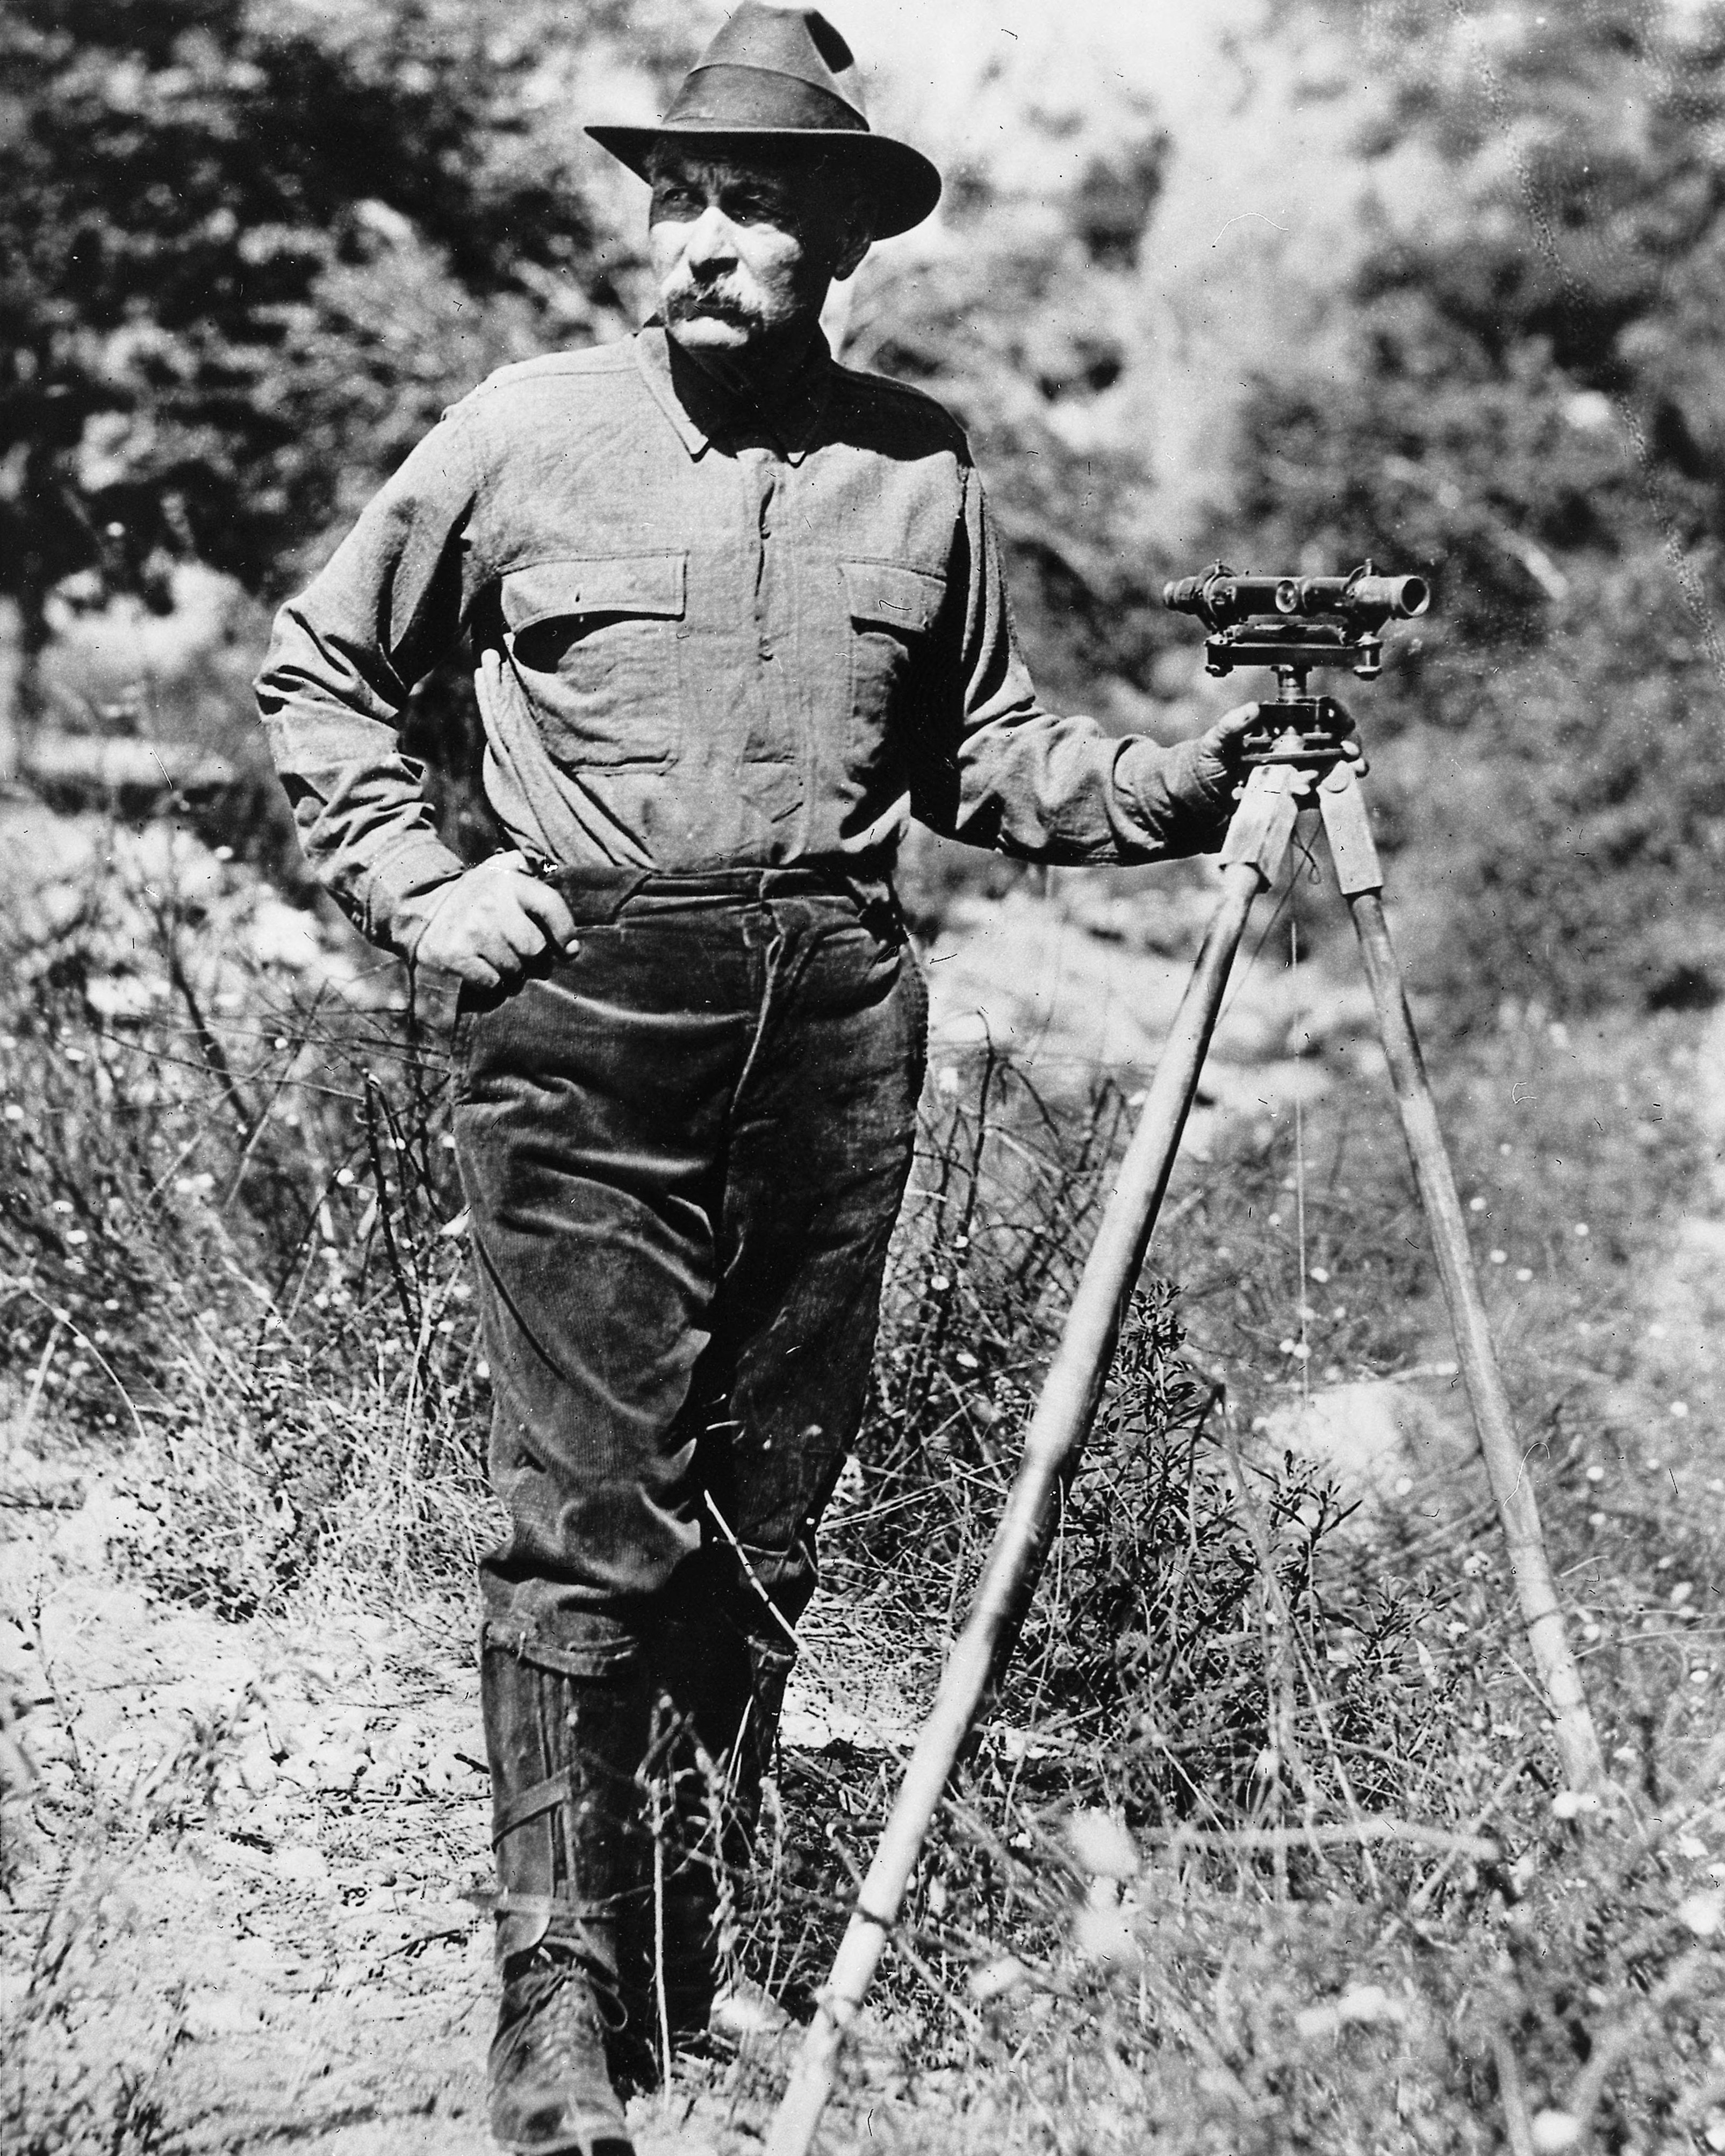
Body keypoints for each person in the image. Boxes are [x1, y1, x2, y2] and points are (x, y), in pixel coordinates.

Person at [255, 8, 1260, 2151]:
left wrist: (1186, 779)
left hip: (829, 1023)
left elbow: (986, 756)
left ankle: (685, 1956)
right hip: (586, 1017)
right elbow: (322, 669)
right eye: (679, 200)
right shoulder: (522, 430)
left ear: (832, 241)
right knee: (589, 1519)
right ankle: (553, 2007)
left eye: (751, 207)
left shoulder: (922, 464)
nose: (702, 241)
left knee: (758, 1511)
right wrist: (426, 885)